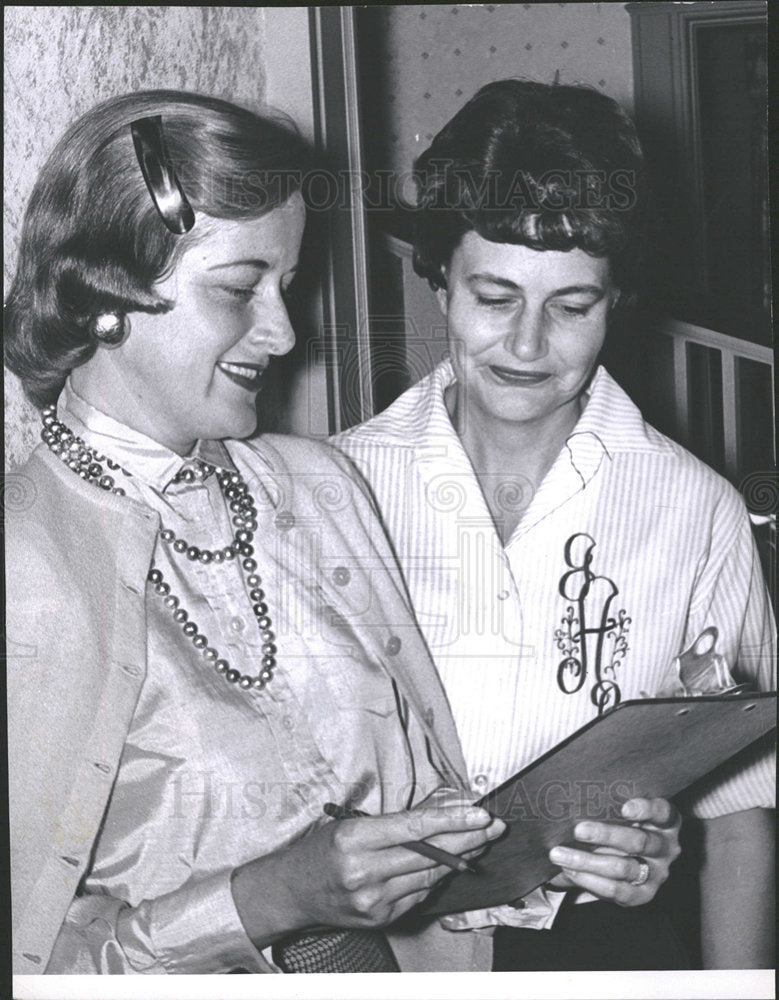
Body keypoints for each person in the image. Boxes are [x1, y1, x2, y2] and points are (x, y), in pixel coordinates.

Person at [5, 89, 512, 976]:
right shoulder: (20, 566)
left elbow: (424, 815)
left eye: (286, 287)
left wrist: (547, 851)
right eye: (241, 288)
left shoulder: (323, 488)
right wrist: (267, 900)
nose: (282, 332)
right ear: (102, 296)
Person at [332, 80, 776, 970]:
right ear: (438, 280)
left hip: (601, 953)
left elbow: (742, 818)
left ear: (619, 301)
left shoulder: (696, 512)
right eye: (493, 297)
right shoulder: (334, 484)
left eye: (571, 306)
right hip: (374, 959)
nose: (527, 346)